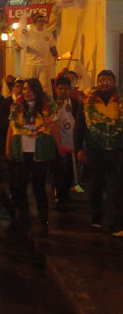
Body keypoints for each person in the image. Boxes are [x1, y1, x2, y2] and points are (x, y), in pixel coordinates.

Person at [6, 78, 60, 237]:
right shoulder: (16, 107)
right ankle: (24, 220)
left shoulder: (47, 107)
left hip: (39, 153)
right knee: (20, 187)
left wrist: (60, 147)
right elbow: (11, 128)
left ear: (36, 91)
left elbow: (54, 128)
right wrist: (7, 147)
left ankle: (44, 222)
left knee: (39, 188)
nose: (26, 92)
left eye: (29, 89)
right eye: (24, 89)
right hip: (21, 152)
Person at [75, 70, 123, 236]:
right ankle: (96, 217)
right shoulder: (88, 103)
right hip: (95, 151)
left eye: (108, 80)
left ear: (114, 82)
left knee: (115, 188)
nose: (104, 83)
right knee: (95, 186)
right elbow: (79, 128)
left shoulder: (120, 101)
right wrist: (79, 149)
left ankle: (114, 223)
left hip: (116, 151)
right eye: (101, 80)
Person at [52, 76, 79, 211]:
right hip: (56, 143)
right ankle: (59, 195)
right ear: (56, 90)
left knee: (69, 168)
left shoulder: (75, 103)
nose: (63, 91)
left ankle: (66, 192)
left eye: (66, 89)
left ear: (70, 90)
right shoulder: (50, 104)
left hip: (71, 142)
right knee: (58, 170)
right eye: (60, 88)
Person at [16, 14, 59, 93]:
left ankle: (47, 104)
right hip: (31, 64)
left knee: (45, 87)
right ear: (35, 22)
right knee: (30, 86)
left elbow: (52, 47)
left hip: (44, 64)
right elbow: (20, 45)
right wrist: (19, 46)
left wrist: (56, 56)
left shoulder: (48, 34)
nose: (41, 23)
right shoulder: (28, 33)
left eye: (43, 21)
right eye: (39, 21)